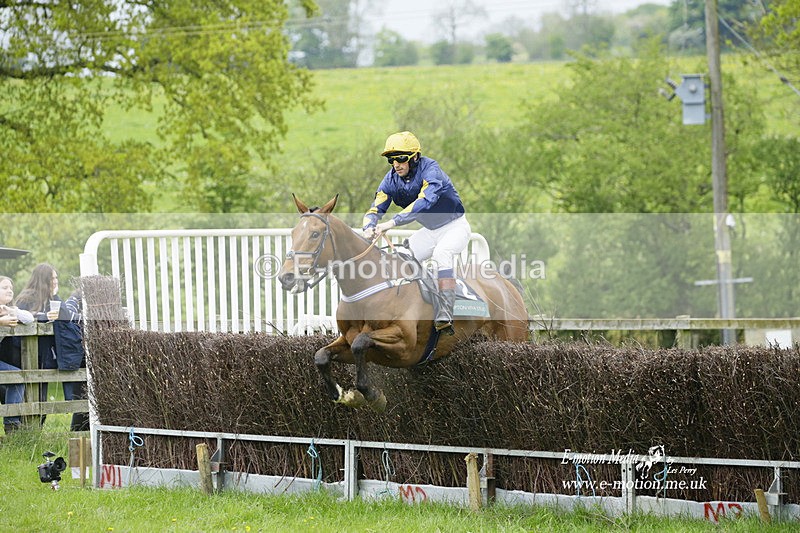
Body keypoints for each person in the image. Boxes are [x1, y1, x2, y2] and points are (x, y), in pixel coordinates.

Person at [362, 131, 470, 335]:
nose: (396, 164)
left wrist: (392, 223)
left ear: (415, 157)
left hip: (456, 227)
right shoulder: (391, 179)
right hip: (430, 231)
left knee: (441, 255)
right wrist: (368, 225)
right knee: (402, 258)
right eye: (391, 160)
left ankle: (446, 311)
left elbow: (423, 203)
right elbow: (376, 206)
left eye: (401, 158)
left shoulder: (431, 170)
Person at [15, 264, 61, 423]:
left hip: (44, 354)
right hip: (24, 354)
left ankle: (36, 430)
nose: (55, 281)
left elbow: (63, 315)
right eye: (52, 278)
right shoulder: (26, 298)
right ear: (43, 279)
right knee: (27, 393)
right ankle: (22, 431)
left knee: (42, 395)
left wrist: (56, 297)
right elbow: (21, 317)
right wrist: (42, 315)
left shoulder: (52, 298)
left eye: (56, 278)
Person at [54, 289, 89, 431]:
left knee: (84, 399)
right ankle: (76, 432)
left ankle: (80, 431)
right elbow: (69, 315)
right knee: (81, 398)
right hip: (77, 357)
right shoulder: (72, 302)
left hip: (83, 357)